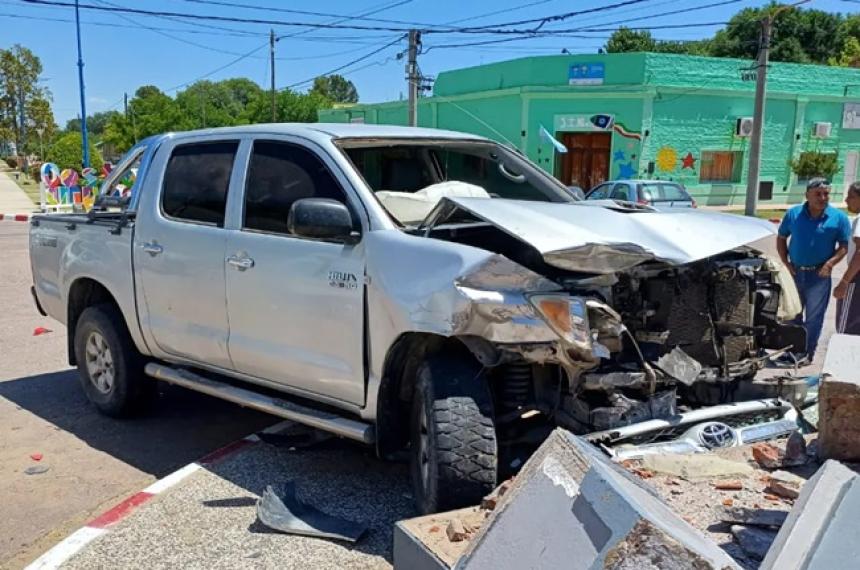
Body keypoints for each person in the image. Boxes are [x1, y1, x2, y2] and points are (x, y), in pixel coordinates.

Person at [776, 178, 852, 365]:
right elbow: (781, 237)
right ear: (807, 195)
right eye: (818, 194)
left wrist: (830, 264)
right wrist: (785, 262)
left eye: (826, 193)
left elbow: (843, 245)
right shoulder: (794, 214)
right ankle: (792, 352)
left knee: (814, 318)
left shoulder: (838, 218)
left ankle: (807, 353)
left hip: (819, 276)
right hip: (795, 273)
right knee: (792, 315)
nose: (823, 197)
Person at [835, 182, 860, 334]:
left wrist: (844, 282)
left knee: (846, 327)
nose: (846, 200)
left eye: (851, 196)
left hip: (857, 278)